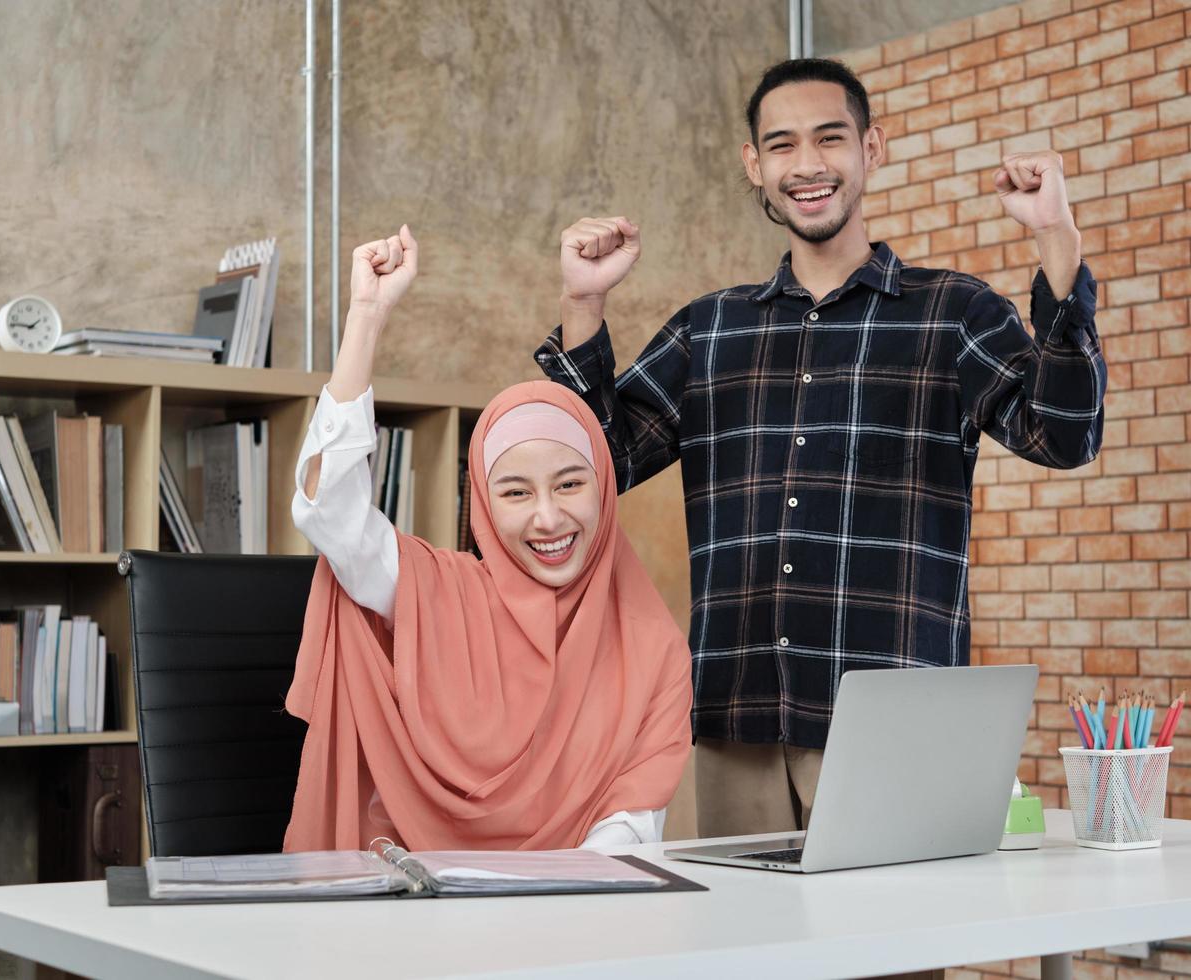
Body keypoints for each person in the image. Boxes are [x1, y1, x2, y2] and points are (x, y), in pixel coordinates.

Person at [535, 58, 1107, 839]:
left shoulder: (953, 312)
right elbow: (592, 465)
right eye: (782, 145)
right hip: (740, 719)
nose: (807, 165)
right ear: (754, 166)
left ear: (872, 149)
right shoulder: (711, 330)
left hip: (895, 729)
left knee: (892, 960)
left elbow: (1066, 435)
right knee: (756, 959)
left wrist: (1056, 241)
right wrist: (583, 302)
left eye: (829, 138)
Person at [284, 225, 692, 851]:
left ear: (605, 488)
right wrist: (365, 317)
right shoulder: (434, 596)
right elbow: (328, 511)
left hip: (572, 928)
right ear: (481, 502)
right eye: (516, 493)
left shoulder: (652, 649)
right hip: (412, 915)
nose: (548, 519)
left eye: (569, 484)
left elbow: (626, 832)